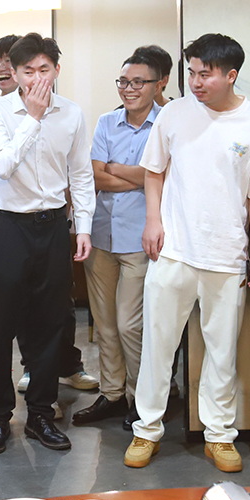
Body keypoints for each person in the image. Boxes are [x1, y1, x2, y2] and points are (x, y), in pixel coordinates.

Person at [124, 34, 250, 472]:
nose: (195, 82)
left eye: (205, 74)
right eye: (191, 72)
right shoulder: (174, 113)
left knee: (222, 352)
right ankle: (146, 430)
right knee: (158, 345)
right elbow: (154, 172)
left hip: (226, 254)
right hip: (174, 249)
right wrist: (153, 221)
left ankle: (219, 435)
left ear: (231, 75)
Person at [0, 35, 97, 427]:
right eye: (28, 71)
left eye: (44, 70)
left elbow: (80, 174)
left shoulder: (71, 113)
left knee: (51, 322)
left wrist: (83, 227)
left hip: (52, 224)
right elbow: (2, 166)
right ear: (15, 74)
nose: (37, 79)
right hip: (8, 225)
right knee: (1, 324)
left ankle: (41, 413)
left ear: (57, 70)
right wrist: (33, 118)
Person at [75, 44, 171, 427]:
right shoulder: (106, 122)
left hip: (141, 239)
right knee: (105, 324)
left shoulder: (166, 124)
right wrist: (142, 176)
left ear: (159, 84)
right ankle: (112, 393)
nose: (129, 89)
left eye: (138, 82)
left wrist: (120, 169)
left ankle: (140, 397)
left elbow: (164, 177)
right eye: (123, 82)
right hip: (101, 235)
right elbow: (94, 176)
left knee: (131, 325)